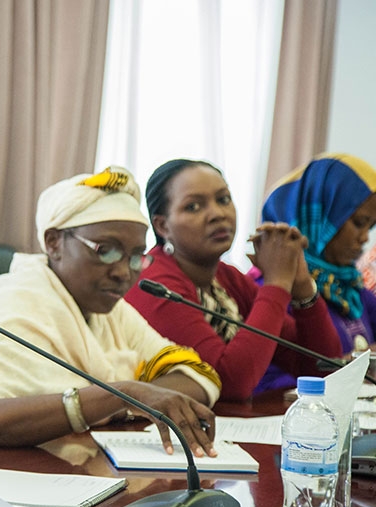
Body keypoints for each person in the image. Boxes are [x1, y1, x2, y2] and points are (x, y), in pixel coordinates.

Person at [0, 166, 222, 463]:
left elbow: (199, 377)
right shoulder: (14, 302)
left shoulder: (110, 309)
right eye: (105, 250)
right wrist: (118, 396)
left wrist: (122, 401)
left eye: (135, 257)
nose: (123, 272)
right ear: (54, 242)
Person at [124, 159, 342, 401]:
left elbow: (324, 369)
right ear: (163, 226)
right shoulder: (153, 284)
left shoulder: (226, 278)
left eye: (223, 199)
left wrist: (301, 285)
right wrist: (277, 283)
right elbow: (227, 383)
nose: (217, 214)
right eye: (194, 207)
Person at [253, 153, 376, 356]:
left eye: (370, 227)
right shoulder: (270, 290)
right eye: (358, 223)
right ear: (318, 218)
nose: (365, 238)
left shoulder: (350, 288)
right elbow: (270, 379)